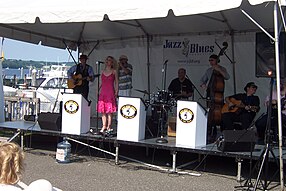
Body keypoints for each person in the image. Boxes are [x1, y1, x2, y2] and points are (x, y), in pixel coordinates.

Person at [200, 54, 230, 143]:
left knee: (218, 114)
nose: (210, 62)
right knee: (209, 114)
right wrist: (203, 85)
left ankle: (220, 133)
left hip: (218, 96)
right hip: (210, 94)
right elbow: (202, 80)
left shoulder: (222, 68)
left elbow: (227, 77)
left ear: (217, 60)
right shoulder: (209, 70)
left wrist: (219, 70)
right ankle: (209, 132)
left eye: (212, 60)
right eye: (209, 60)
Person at [97, 56, 118, 133]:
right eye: (107, 60)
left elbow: (116, 82)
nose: (108, 61)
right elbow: (101, 82)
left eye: (109, 60)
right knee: (103, 110)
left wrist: (116, 91)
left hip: (110, 91)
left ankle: (109, 126)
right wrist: (98, 89)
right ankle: (104, 126)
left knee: (109, 110)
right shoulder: (102, 71)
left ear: (112, 63)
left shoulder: (114, 71)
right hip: (103, 91)